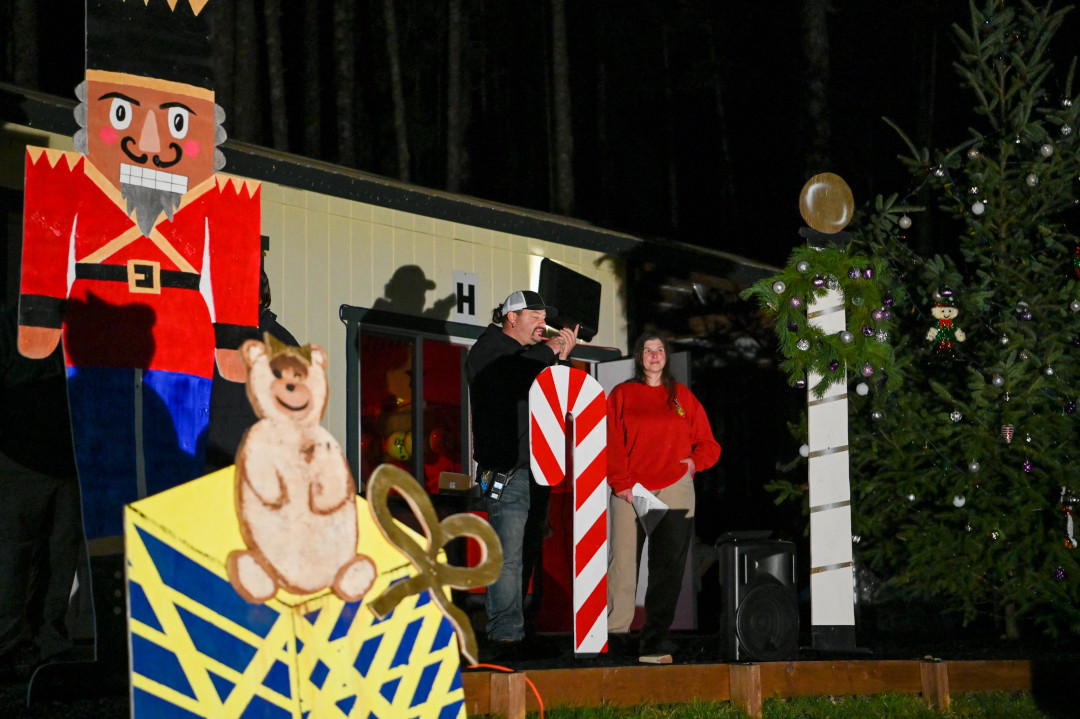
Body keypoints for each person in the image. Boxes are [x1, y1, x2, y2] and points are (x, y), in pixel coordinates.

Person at [465, 290, 577, 659]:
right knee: (508, 556)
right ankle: (504, 637)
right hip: (508, 470)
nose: (543, 325)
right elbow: (512, 377)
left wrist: (559, 359)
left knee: (526, 553)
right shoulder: (488, 349)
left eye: (546, 319)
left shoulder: (531, 357)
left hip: (536, 468)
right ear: (511, 317)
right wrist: (549, 352)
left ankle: (520, 630)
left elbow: (555, 397)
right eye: (536, 317)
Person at [606, 331, 721, 663]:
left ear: (666, 356)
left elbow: (710, 445)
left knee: (666, 567)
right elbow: (610, 441)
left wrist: (694, 464)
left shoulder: (681, 396)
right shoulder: (622, 394)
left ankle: (654, 643)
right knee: (623, 563)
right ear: (639, 357)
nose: (653, 354)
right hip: (632, 491)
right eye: (647, 350)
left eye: (659, 349)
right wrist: (621, 483)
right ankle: (616, 639)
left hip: (673, 487)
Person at [205, 268, 298, 472]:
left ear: (260, 296)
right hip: (211, 465)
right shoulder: (207, 337)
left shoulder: (284, 346)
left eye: (244, 287)